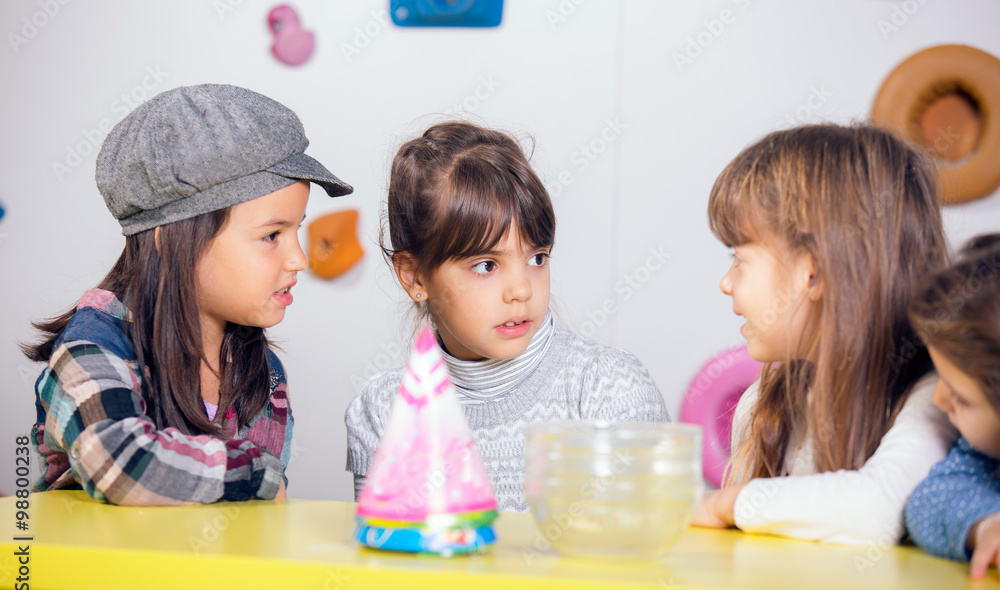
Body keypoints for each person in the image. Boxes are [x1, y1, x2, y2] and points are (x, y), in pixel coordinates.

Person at [22, 84, 352, 505]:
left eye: (296, 230)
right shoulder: (92, 349)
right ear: (171, 239)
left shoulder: (261, 370)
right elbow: (123, 466)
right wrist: (257, 476)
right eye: (272, 235)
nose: (298, 260)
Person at [346, 121, 668, 512]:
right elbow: (385, 566)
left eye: (537, 258)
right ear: (414, 276)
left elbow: (640, 555)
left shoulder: (608, 389)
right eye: (485, 265)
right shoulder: (383, 411)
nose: (522, 290)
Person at [691, 123, 956, 543]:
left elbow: (878, 511)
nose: (726, 282)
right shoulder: (763, 405)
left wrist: (728, 503)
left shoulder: (937, 398)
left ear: (813, 273)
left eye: (739, 258)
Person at [905, 234, 1000, 579]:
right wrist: (987, 524)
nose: (937, 399)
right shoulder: (983, 456)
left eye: (960, 397)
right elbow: (931, 500)